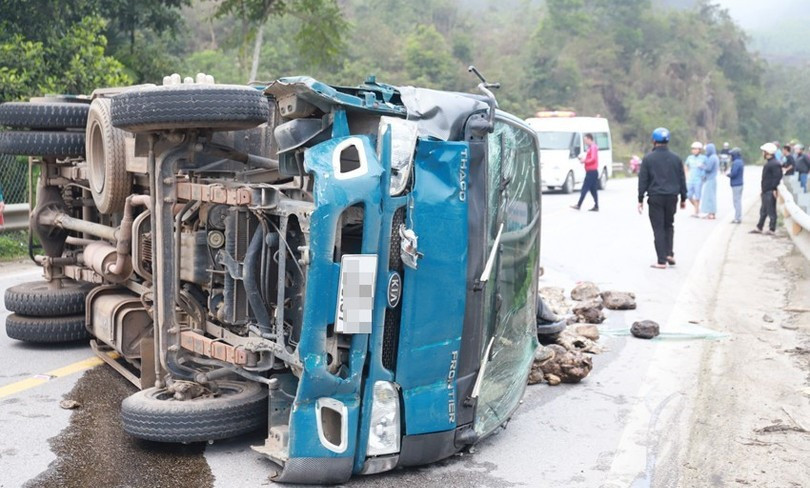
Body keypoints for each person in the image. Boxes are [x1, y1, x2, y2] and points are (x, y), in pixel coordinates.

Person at [638, 127, 687, 269]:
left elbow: (643, 180)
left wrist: (640, 199)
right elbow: (681, 179)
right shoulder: (676, 158)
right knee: (669, 225)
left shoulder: (648, 158)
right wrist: (683, 198)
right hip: (672, 197)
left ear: (653, 140)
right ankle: (669, 253)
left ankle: (661, 260)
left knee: (658, 228)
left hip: (655, 197)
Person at [751, 142, 783, 235]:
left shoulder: (774, 164)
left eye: (763, 152)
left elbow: (777, 177)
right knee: (763, 210)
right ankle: (759, 227)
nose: (762, 154)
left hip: (770, 190)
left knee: (771, 210)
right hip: (766, 190)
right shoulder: (770, 163)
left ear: (767, 152)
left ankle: (772, 228)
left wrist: (774, 189)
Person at [570, 133, 599, 211]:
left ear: (590, 139)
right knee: (593, 190)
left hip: (591, 172)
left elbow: (593, 158)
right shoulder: (591, 147)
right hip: (591, 171)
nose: (585, 142)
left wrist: (584, 161)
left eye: (586, 140)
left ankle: (579, 204)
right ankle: (596, 205)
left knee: (584, 188)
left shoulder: (593, 147)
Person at [684, 141, 705, 216]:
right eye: (693, 149)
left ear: (700, 150)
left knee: (697, 196)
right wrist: (686, 174)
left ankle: (696, 211)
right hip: (690, 179)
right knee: (688, 195)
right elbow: (686, 165)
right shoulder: (690, 158)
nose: (695, 150)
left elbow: (707, 168)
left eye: (696, 149)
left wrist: (703, 167)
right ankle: (697, 208)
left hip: (698, 179)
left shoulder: (703, 158)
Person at [700, 143, 719, 219]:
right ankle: (711, 213)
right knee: (711, 196)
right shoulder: (715, 157)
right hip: (712, 179)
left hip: (710, 179)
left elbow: (708, 168)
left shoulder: (712, 158)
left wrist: (701, 166)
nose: (706, 151)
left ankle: (711, 213)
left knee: (710, 197)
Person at [726, 147, 744, 223]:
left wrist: (728, 175)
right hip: (739, 183)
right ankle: (738, 216)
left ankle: (737, 218)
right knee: (738, 200)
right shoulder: (740, 161)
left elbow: (734, 173)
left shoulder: (736, 162)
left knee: (736, 201)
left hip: (736, 184)